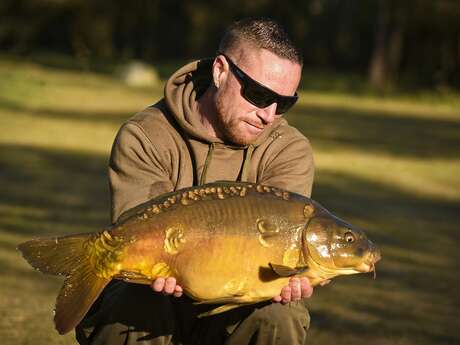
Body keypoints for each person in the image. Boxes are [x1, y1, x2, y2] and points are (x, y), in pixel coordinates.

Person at [76, 17, 315, 345]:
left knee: (281, 316)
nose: (269, 115)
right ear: (220, 71)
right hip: (156, 287)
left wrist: (293, 277)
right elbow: (133, 231)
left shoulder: (289, 149)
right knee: (132, 301)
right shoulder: (146, 135)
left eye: (285, 103)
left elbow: (282, 247)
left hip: (239, 296)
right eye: (259, 94)